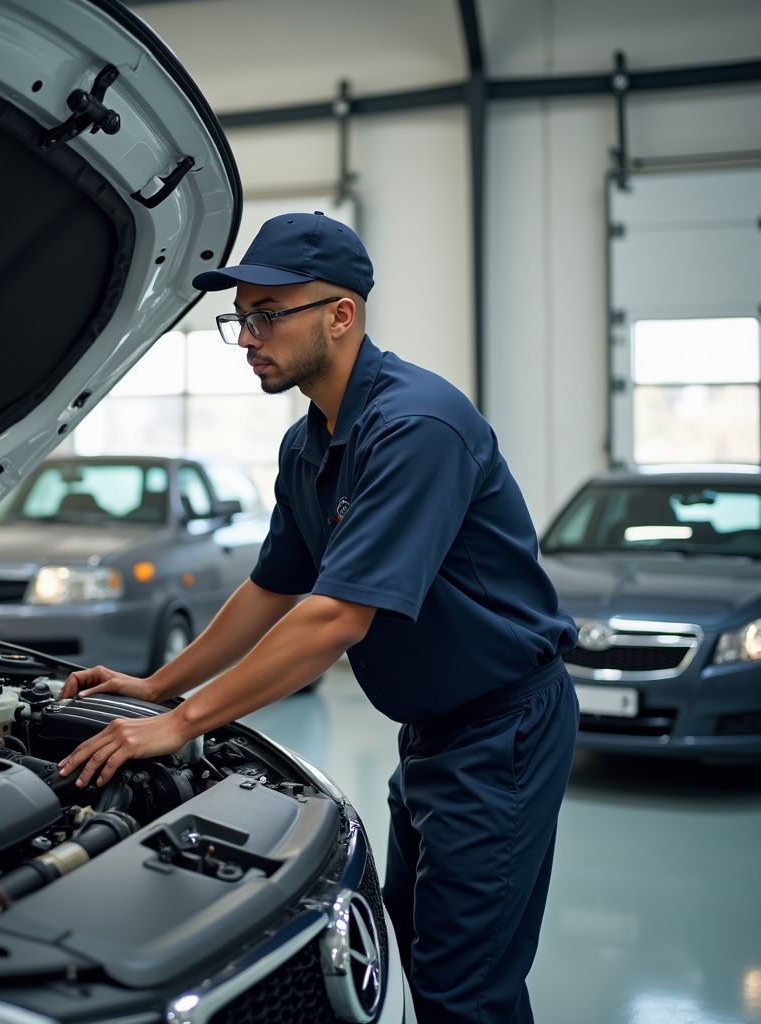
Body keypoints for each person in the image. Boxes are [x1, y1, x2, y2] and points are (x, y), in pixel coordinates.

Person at [57, 211, 579, 1023]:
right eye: (241, 318)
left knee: (464, 987)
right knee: (413, 946)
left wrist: (181, 724)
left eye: (268, 316)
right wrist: (157, 686)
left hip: (500, 731)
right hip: (435, 730)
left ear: (342, 316)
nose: (247, 339)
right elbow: (272, 590)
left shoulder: (416, 428)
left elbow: (335, 618)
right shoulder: (310, 443)